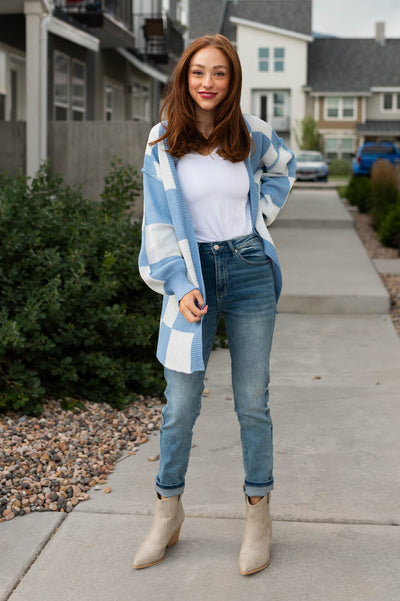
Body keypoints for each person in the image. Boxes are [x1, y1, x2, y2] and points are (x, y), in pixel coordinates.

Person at [133, 34, 296, 575]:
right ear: (184, 77)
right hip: (191, 280)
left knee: (252, 402)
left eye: (219, 73)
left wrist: (261, 216)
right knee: (180, 405)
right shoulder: (164, 139)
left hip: (249, 270)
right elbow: (157, 222)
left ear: (233, 80)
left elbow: (283, 167)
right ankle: (167, 512)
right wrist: (180, 285)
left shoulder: (250, 132)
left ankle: (258, 516)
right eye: (199, 72)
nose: (208, 82)